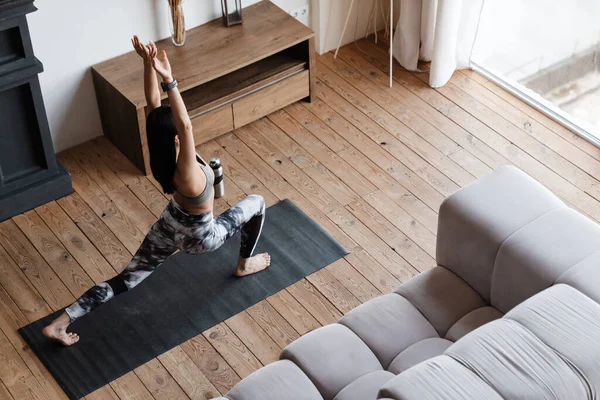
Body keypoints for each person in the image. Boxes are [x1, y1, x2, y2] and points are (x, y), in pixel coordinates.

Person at [43, 36, 270, 346]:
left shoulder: (163, 157)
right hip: (202, 238)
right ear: (177, 137)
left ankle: (60, 322)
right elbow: (186, 125)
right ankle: (244, 264)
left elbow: (153, 106)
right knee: (257, 202)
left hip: (168, 226)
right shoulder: (187, 171)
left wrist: (148, 65)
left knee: (125, 280)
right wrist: (171, 81)